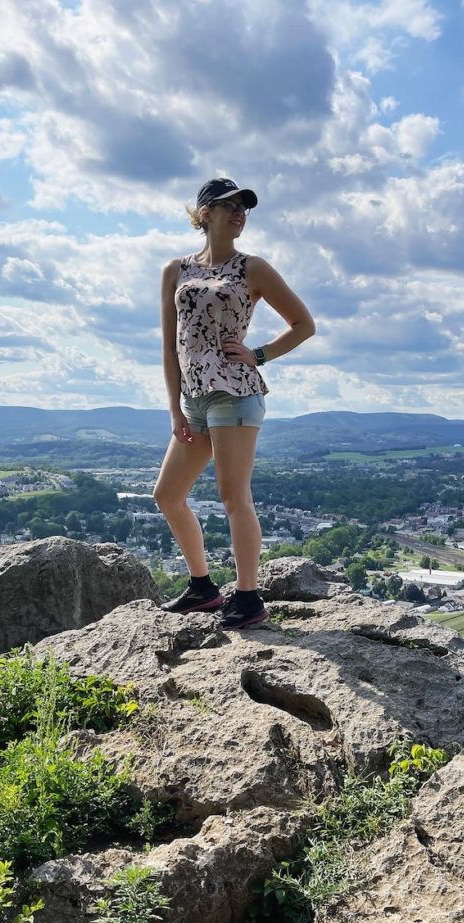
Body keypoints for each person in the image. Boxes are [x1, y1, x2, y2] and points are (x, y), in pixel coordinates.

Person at [153, 178, 315, 628]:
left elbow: (304, 324)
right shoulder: (176, 270)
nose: (240, 213)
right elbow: (170, 347)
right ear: (205, 213)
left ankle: (248, 598)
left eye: (245, 208)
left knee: (232, 496)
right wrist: (173, 408)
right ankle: (203, 588)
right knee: (167, 495)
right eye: (230, 206)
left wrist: (259, 353)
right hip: (193, 399)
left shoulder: (252, 268)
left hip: (235, 392)